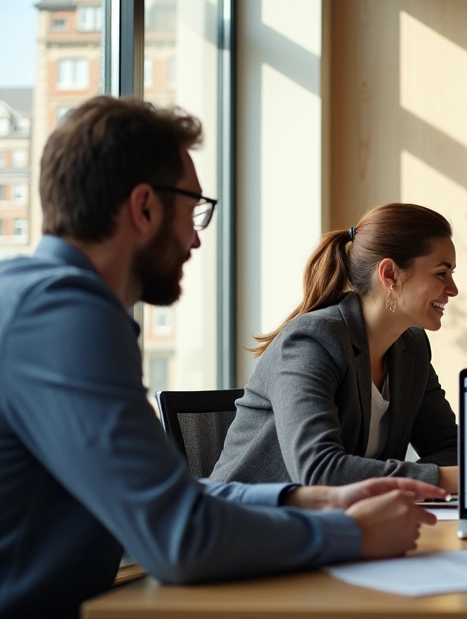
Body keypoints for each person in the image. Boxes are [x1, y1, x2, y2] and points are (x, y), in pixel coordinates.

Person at [0, 96, 443, 618]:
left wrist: (311, 500)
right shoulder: (63, 316)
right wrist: (350, 532)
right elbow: (177, 538)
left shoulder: (35, 301)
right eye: (194, 209)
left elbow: (168, 496)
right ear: (144, 207)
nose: (194, 238)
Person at [210, 203, 460, 493]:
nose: (453, 288)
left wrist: (429, 479)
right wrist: (440, 480)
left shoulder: (412, 348)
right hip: (250, 526)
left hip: (338, 522)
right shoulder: (312, 341)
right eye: (441, 273)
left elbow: (451, 449)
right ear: (390, 274)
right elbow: (318, 470)